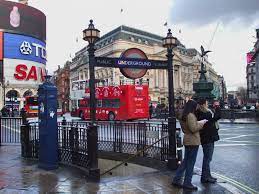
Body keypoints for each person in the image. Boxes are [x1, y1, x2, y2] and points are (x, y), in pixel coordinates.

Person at [172, 99, 207, 190]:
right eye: (195, 106)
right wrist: (202, 123)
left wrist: (197, 123)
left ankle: (176, 179)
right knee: (190, 163)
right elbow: (193, 128)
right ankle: (187, 182)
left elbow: (189, 126)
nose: (196, 107)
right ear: (192, 106)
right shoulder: (190, 115)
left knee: (185, 162)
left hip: (187, 140)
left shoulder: (183, 115)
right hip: (193, 141)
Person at [196, 99, 221, 183]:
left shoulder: (201, 113)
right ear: (203, 104)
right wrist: (217, 108)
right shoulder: (204, 113)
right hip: (208, 138)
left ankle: (207, 175)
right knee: (207, 158)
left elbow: (214, 119)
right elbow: (215, 118)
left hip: (207, 137)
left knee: (207, 158)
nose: (207, 104)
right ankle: (205, 177)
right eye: (206, 103)